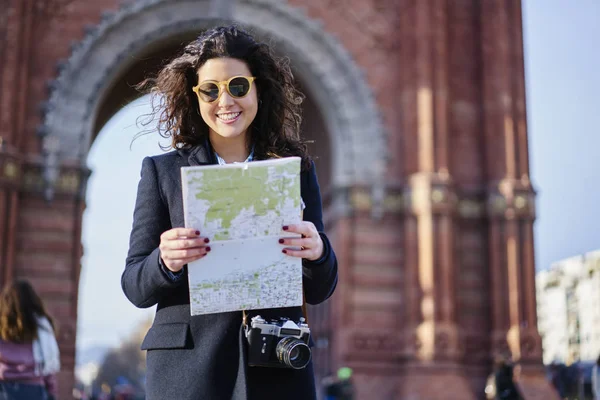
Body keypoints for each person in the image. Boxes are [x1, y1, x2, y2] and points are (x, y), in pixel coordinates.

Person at [121, 25, 338, 400]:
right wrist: (165, 262)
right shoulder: (163, 172)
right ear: (195, 96)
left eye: (237, 86)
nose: (226, 101)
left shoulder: (295, 170)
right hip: (188, 371)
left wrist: (317, 252)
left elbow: (321, 288)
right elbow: (134, 285)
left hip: (276, 367)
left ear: (258, 88)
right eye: (210, 90)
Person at [0, 280, 60, 400]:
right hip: (35, 391)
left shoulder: (2, 327)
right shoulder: (42, 327)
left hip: (4, 390)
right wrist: (52, 393)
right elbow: (48, 367)